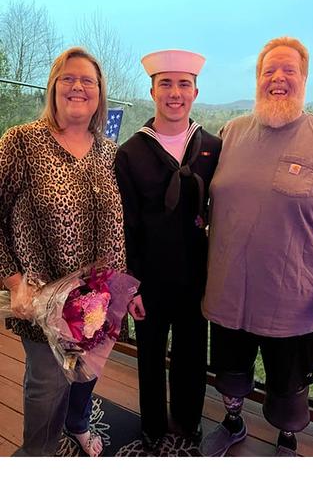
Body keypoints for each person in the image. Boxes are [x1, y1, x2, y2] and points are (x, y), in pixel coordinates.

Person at [200, 36, 313, 457]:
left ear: (305, 79)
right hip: (230, 294)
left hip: (295, 302)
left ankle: (287, 441)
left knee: (289, 387)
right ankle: (232, 423)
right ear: (257, 79)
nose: (278, 78)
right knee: (230, 374)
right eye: (269, 71)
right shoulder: (231, 133)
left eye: (289, 70)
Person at [0, 46, 144, 457]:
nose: (78, 86)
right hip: (43, 303)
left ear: (100, 93)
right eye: (69, 78)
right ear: (53, 87)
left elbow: (122, 225)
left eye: (88, 81)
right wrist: (14, 281)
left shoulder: (108, 152)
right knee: (46, 389)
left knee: (84, 375)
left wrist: (125, 292)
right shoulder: (22, 143)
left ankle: (76, 425)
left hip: (98, 302)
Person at [115, 49, 221, 452]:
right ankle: (154, 424)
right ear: (152, 90)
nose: (174, 93)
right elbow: (126, 225)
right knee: (149, 354)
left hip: (198, 277)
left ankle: (189, 421)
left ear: (195, 91)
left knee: (193, 355)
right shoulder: (131, 152)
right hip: (150, 278)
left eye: (183, 84)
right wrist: (131, 288)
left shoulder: (212, 147)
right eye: (166, 84)